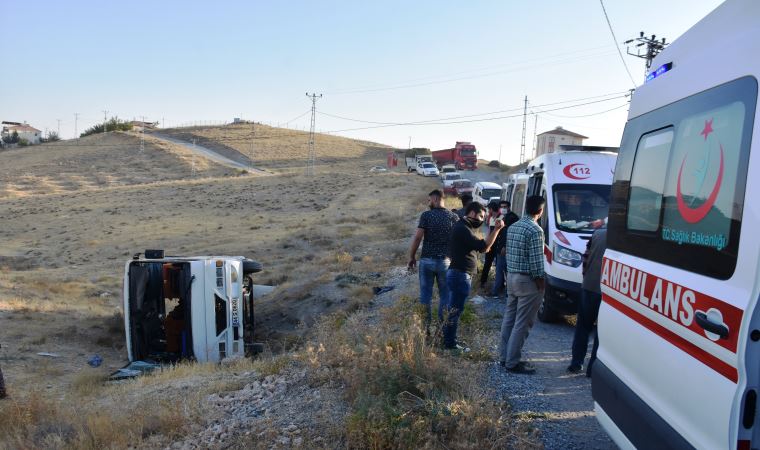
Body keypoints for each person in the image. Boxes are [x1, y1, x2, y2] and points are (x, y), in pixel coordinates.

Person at [442, 202, 503, 352]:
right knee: (455, 310)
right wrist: (496, 230)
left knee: (453, 309)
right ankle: (449, 344)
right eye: (481, 216)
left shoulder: (463, 227)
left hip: (459, 274)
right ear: (473, 213)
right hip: (459, 275)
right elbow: (485, 247)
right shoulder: (462, 228)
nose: (481, 220)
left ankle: (449, 339)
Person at [498, 195, 546, 374]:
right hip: (527, 281)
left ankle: (504, 357)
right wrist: (541, 284)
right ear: (540, 211)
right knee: (523, 322)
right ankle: (512, 362)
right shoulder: (536, 230)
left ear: (526, 207)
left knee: (509, 318)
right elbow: (536, 263)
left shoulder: (514, 227)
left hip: (511, 277)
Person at [408, 189, 459, 333]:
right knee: (445, 295)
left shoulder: (426, 216)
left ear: (436, 199)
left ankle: (426, 330)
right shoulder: (453, 217)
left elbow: (418, 237)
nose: (428, 202)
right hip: (445, 262)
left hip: (427, 261)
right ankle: (443, 329)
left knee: (425, 295)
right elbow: (457, 241)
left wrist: (412, 257)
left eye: (429, 200)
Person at [568, 228, 607, 377]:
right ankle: (592, 369)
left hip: (589, 287)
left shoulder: (597, 233)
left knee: (583, 327)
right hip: (608, 292)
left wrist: (586, 279)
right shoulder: (625, 239)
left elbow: (585, 258)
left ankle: (576, 363)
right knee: (601, 333)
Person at [490, 200, 520, 298]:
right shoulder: (501, 217)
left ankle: (506, 293)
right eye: (501, 206)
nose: (503, 208)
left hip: (507, 249)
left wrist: (506, 246)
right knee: (499, 271)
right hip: (499, 248)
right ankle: (498, 291)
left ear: (509, 207)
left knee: (508, 272)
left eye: (505, 206)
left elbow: (512, 234)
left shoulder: (513, 217)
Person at [479, 201, 501, 288]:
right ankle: (483, 282)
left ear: (491, 209)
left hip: (498, 244)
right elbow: (489, 230)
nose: (488, 211)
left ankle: (498, 284)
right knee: (487, 263)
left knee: (498, 265)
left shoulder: (501, 217)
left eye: (489, 209)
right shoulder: (491, 217)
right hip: (491, 244)